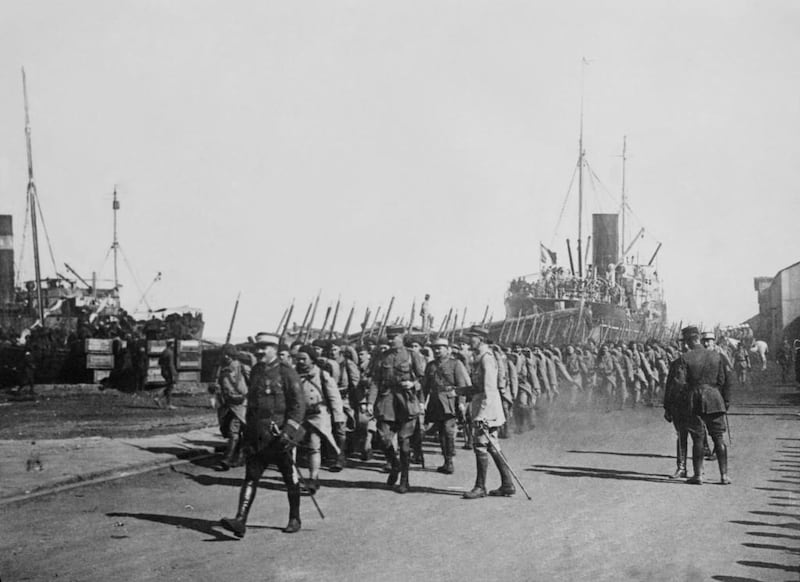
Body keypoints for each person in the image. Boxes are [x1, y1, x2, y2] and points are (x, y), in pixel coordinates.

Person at [220, 332, 306, 537]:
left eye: (264, 348)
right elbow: (252, 405)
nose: (259, 351)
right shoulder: (256, 370)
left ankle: (294, 518)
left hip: (280, 436)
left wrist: (289, 431)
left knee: (290, 477)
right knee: (251, 476)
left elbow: (298, 406)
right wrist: (246, 430)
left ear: (275, 349)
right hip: (258, 435)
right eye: (257, 348)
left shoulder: (287, 373)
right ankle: (240, 520)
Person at [665, 326, 731, 485]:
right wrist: (725, 402)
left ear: (688, 341)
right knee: (718, 438)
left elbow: (679, 384)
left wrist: (671, 405)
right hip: (715, 399)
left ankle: (699, 475)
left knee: (698, 439)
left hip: (694, 400)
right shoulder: (717, 356)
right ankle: (724, 476)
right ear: (699, 339)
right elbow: (724, 381)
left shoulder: (685, 358)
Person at [366, 325, 426, 493]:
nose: (392, 340)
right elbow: (375, 381)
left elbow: (423, 379)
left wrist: (413, 384)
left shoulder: (412, 355)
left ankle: (404, 481)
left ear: (402, 336)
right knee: (383, 437)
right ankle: (395, 464)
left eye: (395, 337)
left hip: (406, 401)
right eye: (389, 337)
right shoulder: (382, 357)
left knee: (404, 443)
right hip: (387, 401)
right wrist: (370, 402)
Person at [460, 326, 515, 499]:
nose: (469, 341)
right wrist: (458, 391)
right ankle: (507, 484)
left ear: (480, 339)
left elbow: (489, 389)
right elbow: (477, 387)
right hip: (484, 406)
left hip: (487, 409)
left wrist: (481, 415)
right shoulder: (479, 357)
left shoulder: (486, 358)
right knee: (492, 445)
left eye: (472, 338)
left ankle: (480, 487)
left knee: (480, 445)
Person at [295, 345, 343, 493]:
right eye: (299, 359)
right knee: (291, 446)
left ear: (312, 360)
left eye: (304, 359)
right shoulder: (293, 374)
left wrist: (338, 418)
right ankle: (293, 479)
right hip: (298, 416)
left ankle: (313, 478)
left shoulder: (322, 375)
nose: (301, 362)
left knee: (314, 447)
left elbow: (334, 397)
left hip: (317, 415)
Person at [422, 337, 471, 474]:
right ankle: (446, 460)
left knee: (448, 431)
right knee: (441, 433)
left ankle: (449, 462)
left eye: (440, 348)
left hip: (450, 401)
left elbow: (462, 386)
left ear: (448, 349)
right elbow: (425, 386)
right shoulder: (430, 365)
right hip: (435, 402)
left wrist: (461, 403)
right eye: (435, 348)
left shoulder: (456, 364)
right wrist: (421, 402)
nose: (437, 351)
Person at [213, 344, 248, 471]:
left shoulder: (242, 368)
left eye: (228, 354)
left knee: (234, 431)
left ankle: (227, 459)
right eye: (224, 354)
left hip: (241, 404)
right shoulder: (222, 369)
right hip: (227, 405)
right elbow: (219, 386)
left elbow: (253, 383)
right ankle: (239, 456)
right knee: (230, 431)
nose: (226, 356)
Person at [155, 339, 178, 409]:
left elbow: (159, 362)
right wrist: (174, 374)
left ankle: (158, 397)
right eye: (173, 344)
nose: (174, 345)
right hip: (169, 372)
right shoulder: (170, 353)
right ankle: (168, 404)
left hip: (163, 371)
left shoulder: (164, 352)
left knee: (169, 386)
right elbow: (171, 365)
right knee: (170, 387)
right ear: (171, 345)